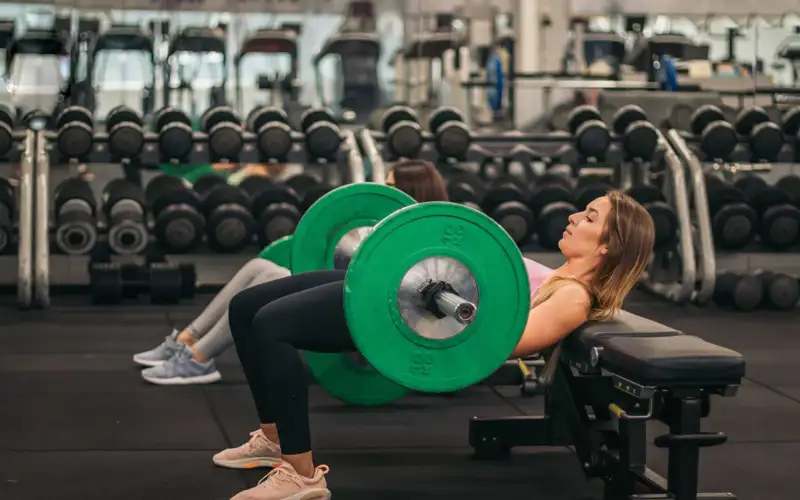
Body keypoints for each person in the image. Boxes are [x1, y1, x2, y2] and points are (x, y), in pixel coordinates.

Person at [217, 184, 656, 500]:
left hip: (407, 317)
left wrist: (453, 303)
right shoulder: (557, 276)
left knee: (271, 325)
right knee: (245, 307)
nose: (574, 217)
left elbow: (507, 342)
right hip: (404, 285)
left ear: (606, 248)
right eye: (583, 210)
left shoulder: (574, 297)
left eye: (590, 218)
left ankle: (300, 474)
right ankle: (274, 438)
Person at [131, 160, 449, 386]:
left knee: (269, 279)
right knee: (259, 267)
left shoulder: (424, 243)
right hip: (355, 295)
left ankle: (199, 360)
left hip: (374, 314)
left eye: (391, 187)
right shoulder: (392, 232)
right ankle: (188, 341)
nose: (383, 193)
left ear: (412, 193)